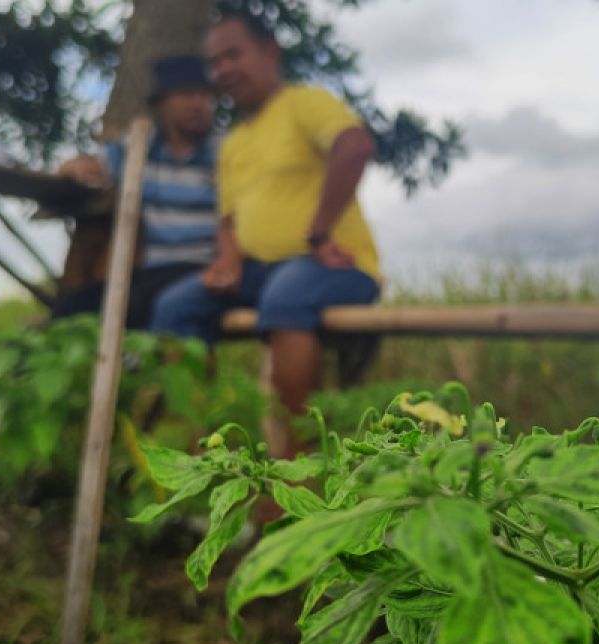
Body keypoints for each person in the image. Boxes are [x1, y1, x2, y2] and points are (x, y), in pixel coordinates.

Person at [150, 10, 381, 458]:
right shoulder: (233, 142)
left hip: (335, 265)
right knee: (175, 307)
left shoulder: (304, 103)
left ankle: (298, 461)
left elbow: (354, 146)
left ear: (269, 51)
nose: (223, 70)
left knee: (287, 295)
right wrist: (228, 261)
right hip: (258, 273)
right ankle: (201, 453)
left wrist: (319, 232)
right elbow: (228, 220)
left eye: (233, 55)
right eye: (215, 63)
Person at [52, 56, 218, 329]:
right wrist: (75, 168)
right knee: (71, 311)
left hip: (206, 267)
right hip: (155, 269)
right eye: (187, 94)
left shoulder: (225, 152)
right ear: (161, 104)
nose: (198, 104)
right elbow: (87, 166)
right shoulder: (140, 148)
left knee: (138, 307)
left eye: (205, 95)